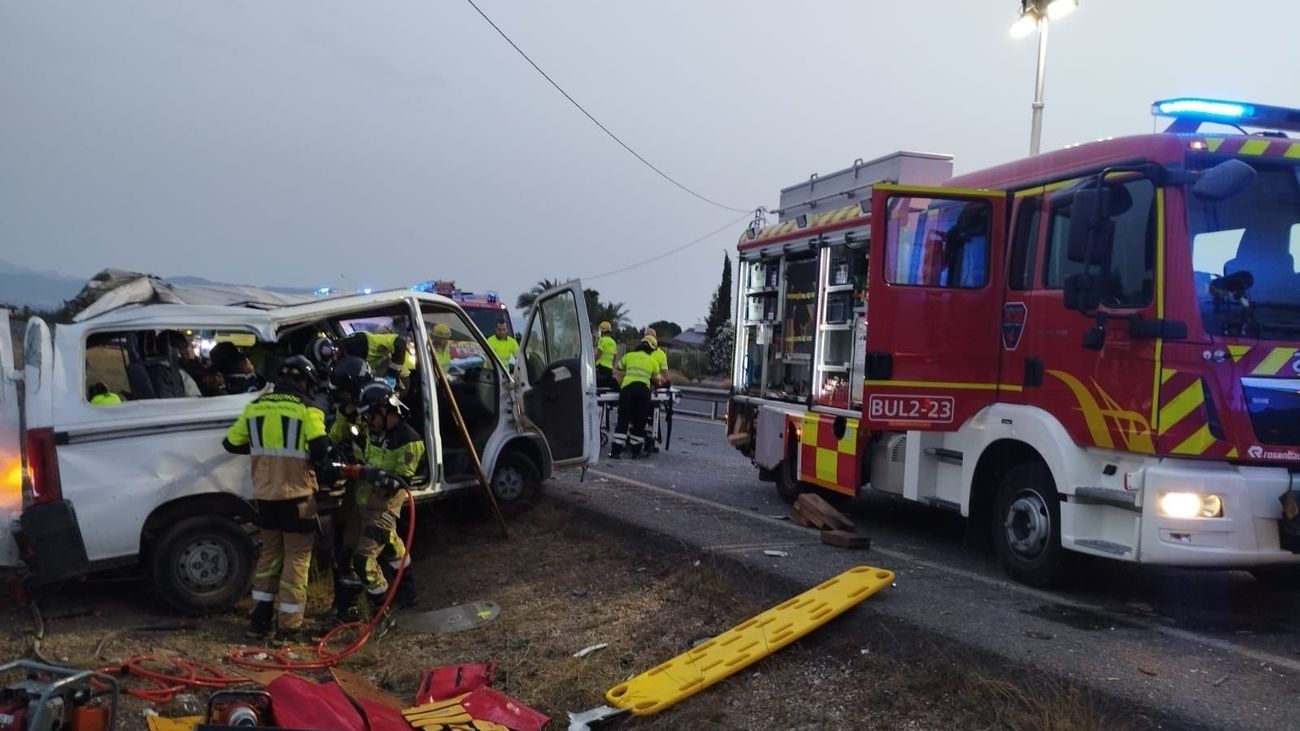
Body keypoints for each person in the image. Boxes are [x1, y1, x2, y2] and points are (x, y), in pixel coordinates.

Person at [222, 355, 331, 643]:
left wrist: (262, 450)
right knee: (297, 558)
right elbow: (321, 449)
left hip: (265, 498)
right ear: (305, 381)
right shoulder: (309, 409)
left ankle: (258, 622)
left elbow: (230, 443)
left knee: (269, 557)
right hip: (297, 498)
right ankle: (289, 627)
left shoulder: (255, 407)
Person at [334, 382, 423, 624]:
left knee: (363, 559)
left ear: (386, 412)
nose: (370, 422)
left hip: (384, 507)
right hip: (362, 502)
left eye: (373, 416)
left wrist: (367, 473)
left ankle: (382, 613)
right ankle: (407, 590)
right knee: (391, 546)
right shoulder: (376, 431)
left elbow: (401, 480)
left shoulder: (408, 439)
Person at [610, 336, 657, 459]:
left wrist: (624, 376)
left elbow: (616, 369)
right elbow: (658, 380)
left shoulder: (629, 356)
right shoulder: (653, 361)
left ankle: (616, 452)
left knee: (623, 420)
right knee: (639, 422)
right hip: (643, 392)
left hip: (628, 390)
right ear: (652, 349)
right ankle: (636, 452)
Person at [642, 327, 670, 453]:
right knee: (653, 414)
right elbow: (665, 376)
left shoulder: (637, 352)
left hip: (640, 387)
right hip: (652, 389)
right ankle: (651, 440)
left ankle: (635, 440)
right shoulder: (660, 354)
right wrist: (661, 384)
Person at [595, 321, 617, 390]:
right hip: (609, 369)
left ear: (602, 330)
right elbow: (615, 357)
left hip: (601, 368)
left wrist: (591, 361)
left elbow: (598, 354)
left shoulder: (602, 340)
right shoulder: (613, 342)